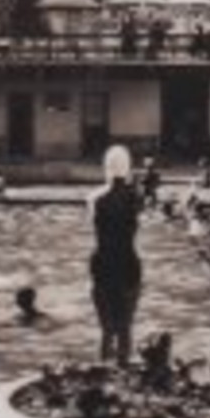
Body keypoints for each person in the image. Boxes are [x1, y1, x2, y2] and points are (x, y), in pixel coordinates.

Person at [88, 144, 144, 365]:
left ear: (105, 167)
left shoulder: (95, 199)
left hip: (103, 263)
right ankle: (124, 371)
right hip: (128, 263)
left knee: (106, 329)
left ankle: (102, 373)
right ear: (128, 167)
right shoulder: (135, 198)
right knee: (125, 327)